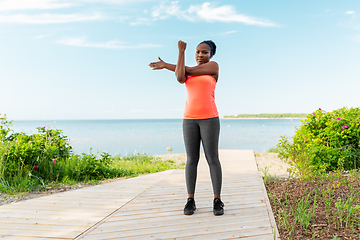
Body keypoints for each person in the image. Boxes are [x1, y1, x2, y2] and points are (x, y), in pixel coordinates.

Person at [149, 40, 224, 216]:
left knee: (212, 159)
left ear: (211, 55)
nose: (200, 55)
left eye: (204, 52)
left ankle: (217, 200)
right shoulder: (186, 69)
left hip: (210, 119)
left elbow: (187, 70)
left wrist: (166, 64)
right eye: (197, 52)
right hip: (189, 120)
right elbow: (180, 76)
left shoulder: (213, 67)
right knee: (191, 160)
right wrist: (181, 52)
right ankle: (190, 200)